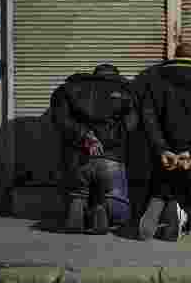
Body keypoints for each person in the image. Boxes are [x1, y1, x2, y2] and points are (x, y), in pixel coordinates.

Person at [137, 42, 191, 242]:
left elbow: (148, 116)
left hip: (164, 152)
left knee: (162, 186)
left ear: (176, 55)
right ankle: (184, 216)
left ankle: (157, 206)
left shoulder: (155, 77)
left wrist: (162, 149)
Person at [50, 64, 139, 234]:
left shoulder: (69, 89)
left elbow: (60, 119)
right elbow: (131, 124)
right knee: (117, 206)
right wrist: (107, 140)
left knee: (79, 192)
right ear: (116, 76)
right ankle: (103, 209)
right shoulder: (126, 91)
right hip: (111, 158)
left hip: (78, 158)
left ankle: (78, 206)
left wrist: (85, 136)